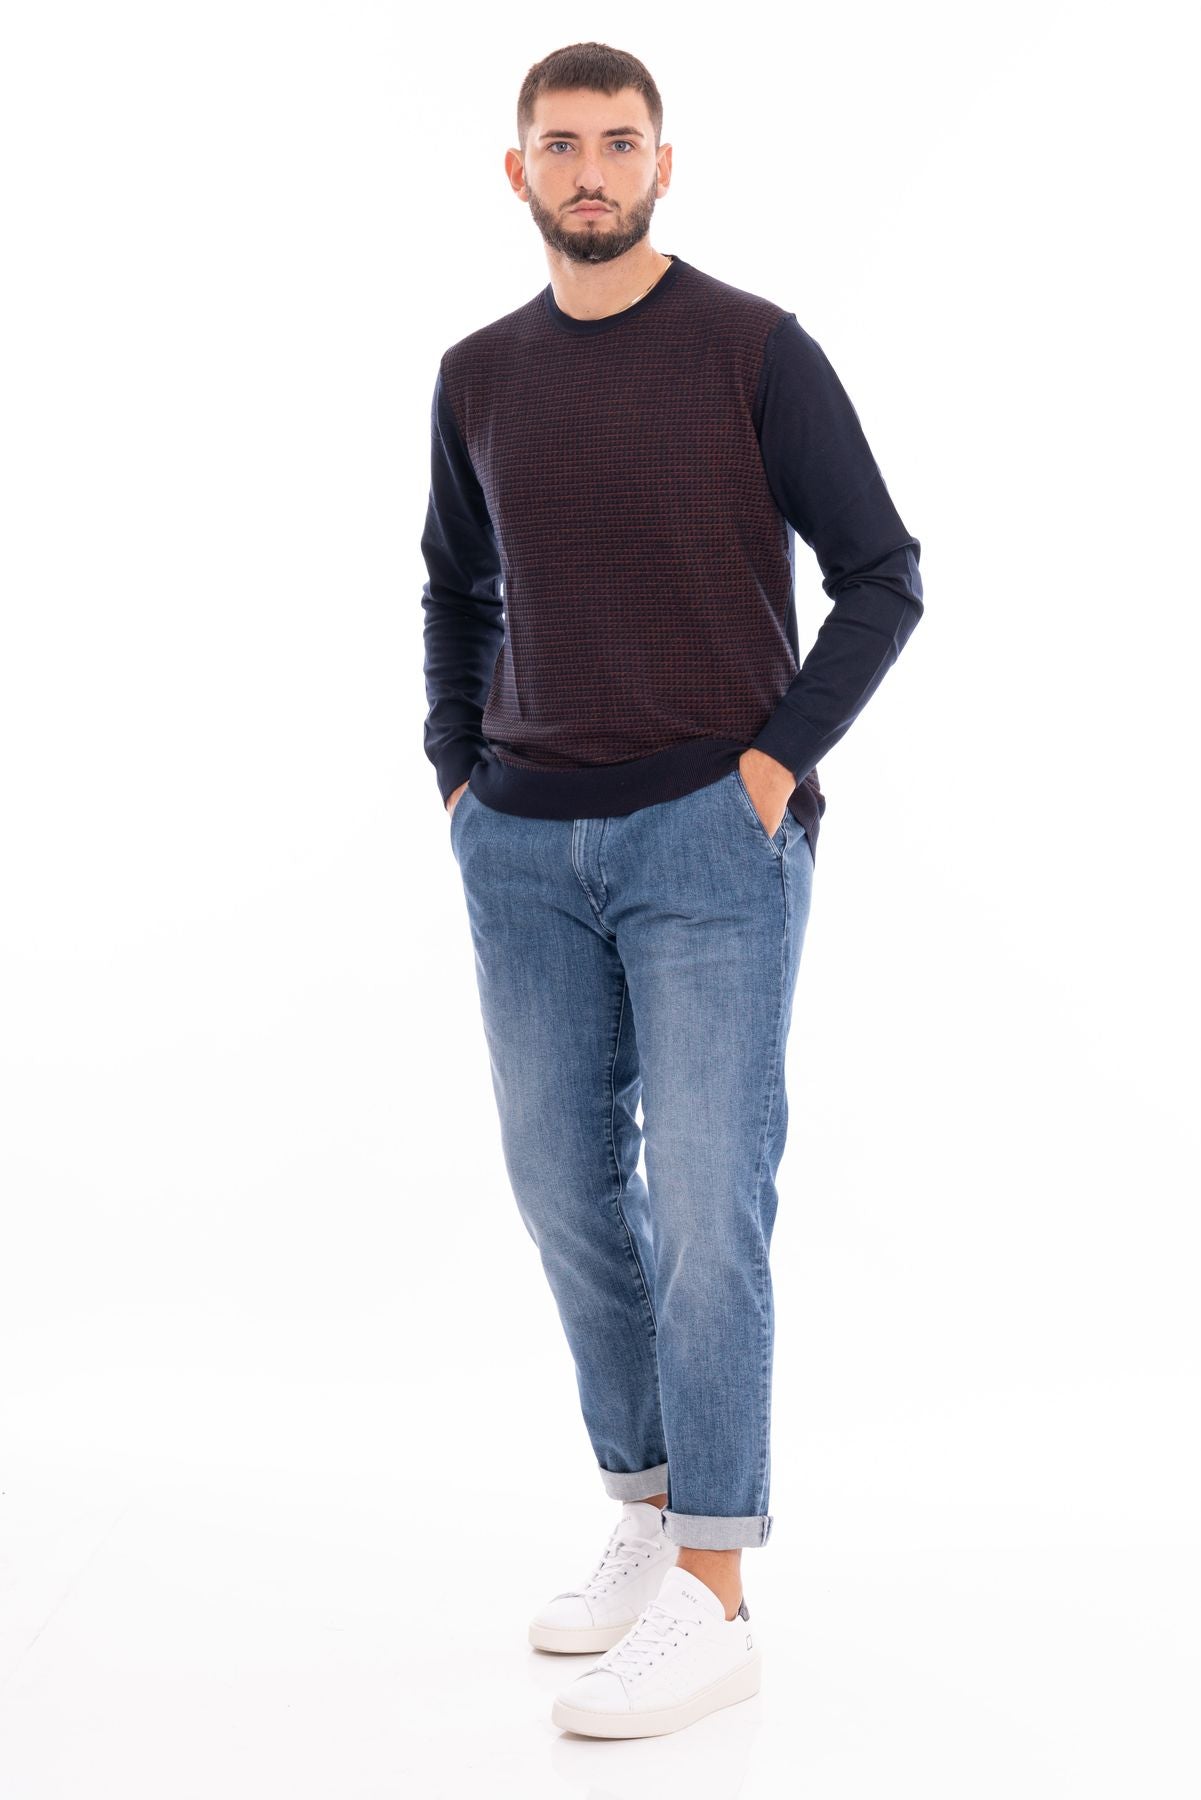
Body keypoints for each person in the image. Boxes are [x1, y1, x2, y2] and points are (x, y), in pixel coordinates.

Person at [420, 40, 924, 1739]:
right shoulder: (476, 375)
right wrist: (456, 773)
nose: (590, 170)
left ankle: (716, 1592)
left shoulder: (753, 350)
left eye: (618, 143)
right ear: (518, 173)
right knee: (564, 1188)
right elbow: (453, 589)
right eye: (560, 144)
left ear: (660, 164)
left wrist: (766, 773)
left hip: (709, 838)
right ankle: (644, 1509)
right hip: (522, 844)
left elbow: (882, 576)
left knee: (709, 1206)